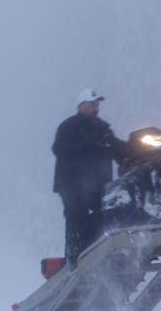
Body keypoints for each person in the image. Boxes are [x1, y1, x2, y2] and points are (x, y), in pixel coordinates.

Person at [52, 88, 128, 261]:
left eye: (97, 104)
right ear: (81, 106)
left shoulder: (102, 128)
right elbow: (59, 149)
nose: (96, 107)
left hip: (98, 185)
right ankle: (74, 259)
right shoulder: (69, 126)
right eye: (92, 104)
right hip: (72, 185)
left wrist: (138, 150)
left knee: (103, 215)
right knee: (76, 218)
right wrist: (87, 146)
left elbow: (117, 148)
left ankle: (92, 253)